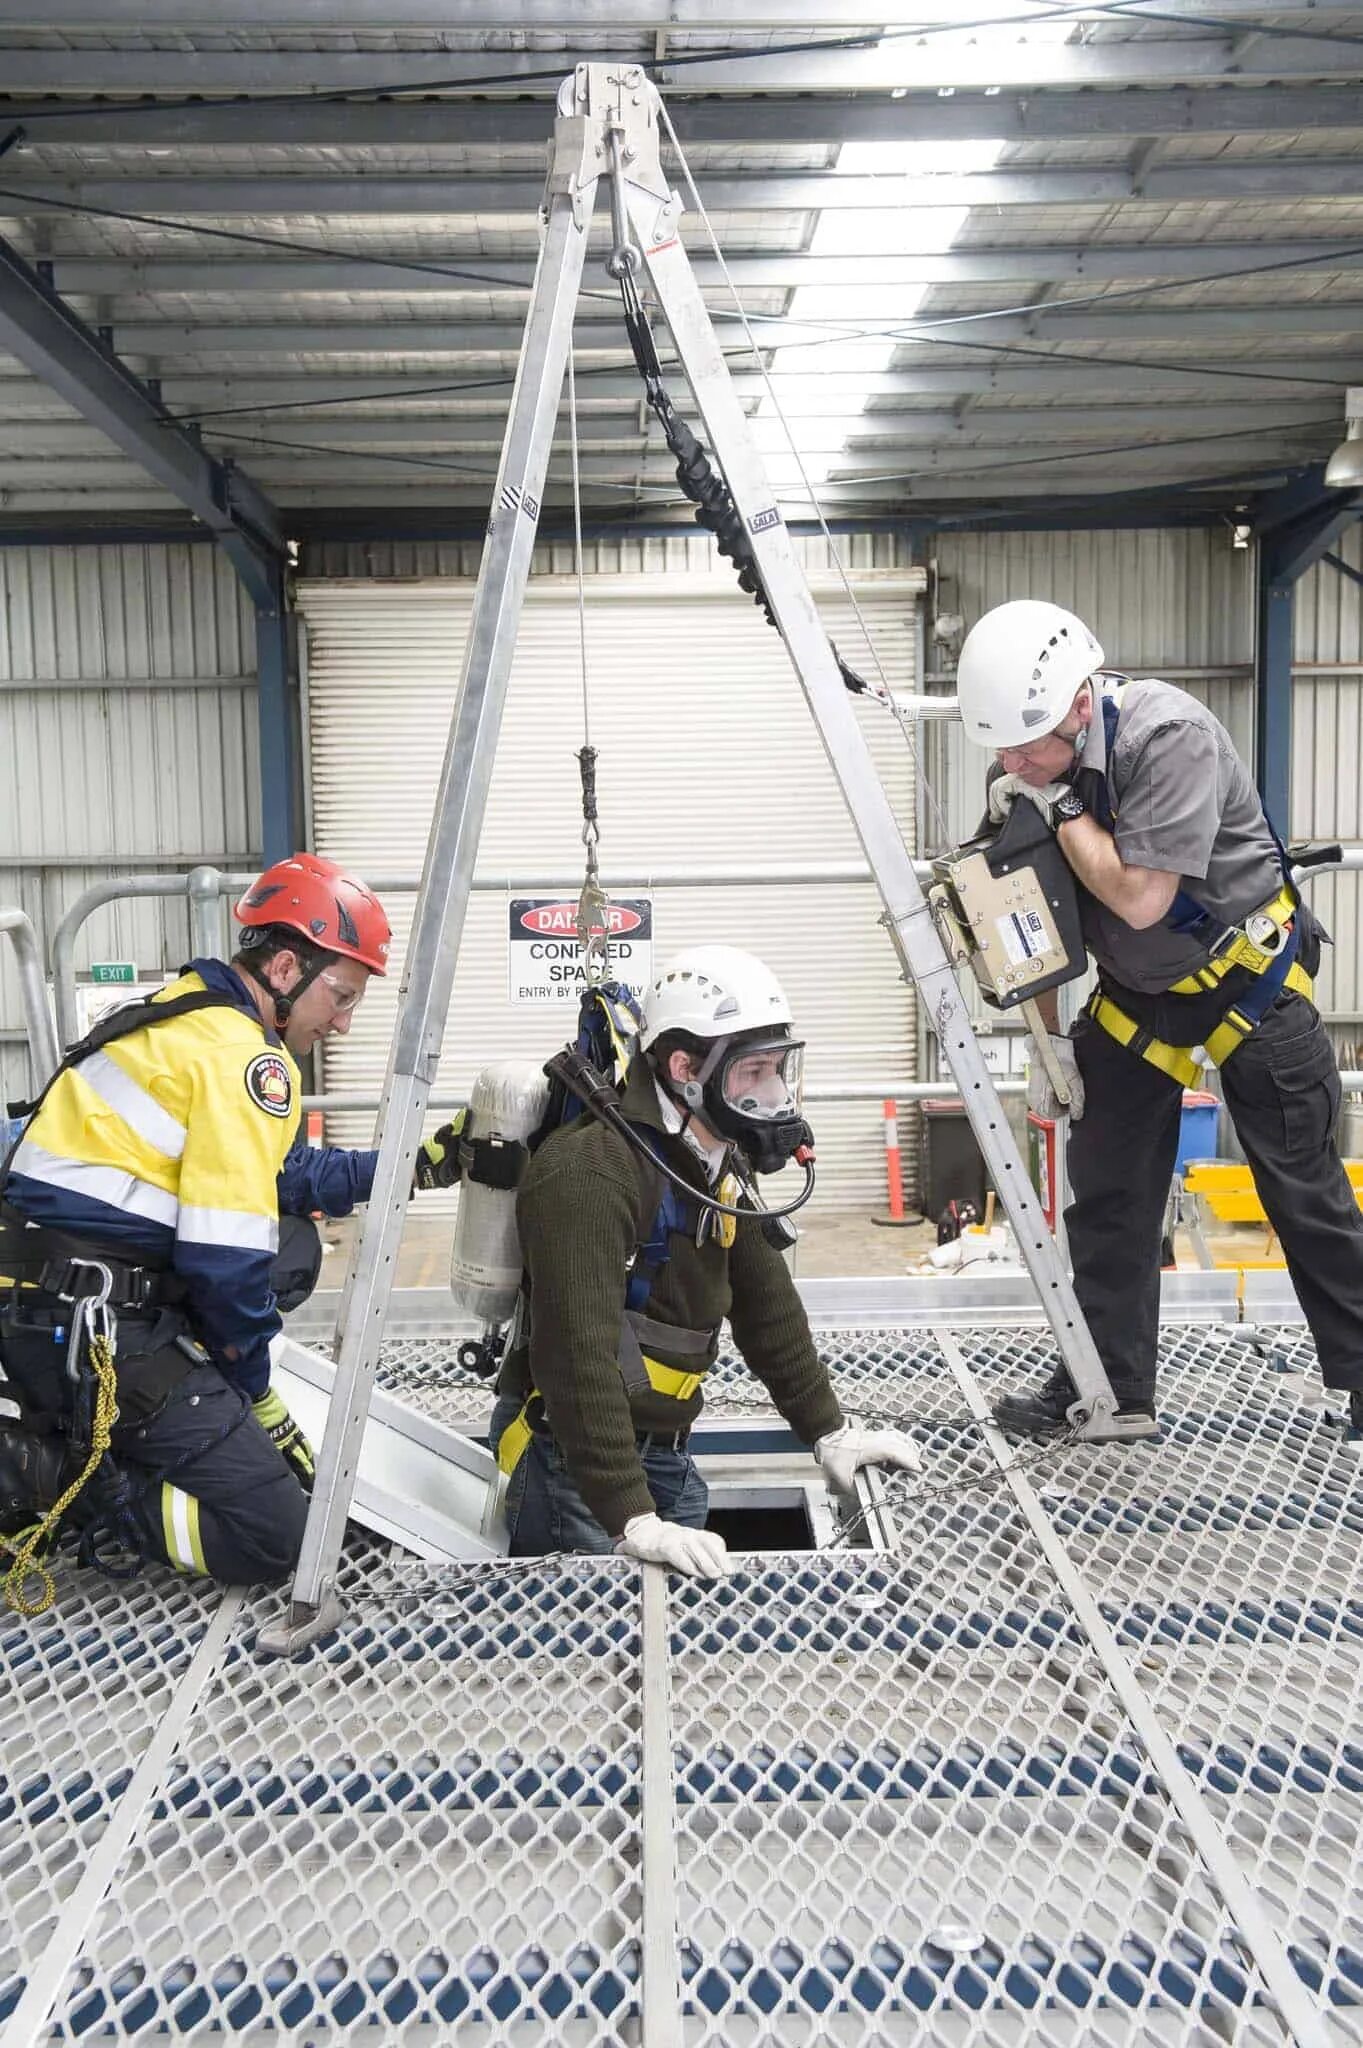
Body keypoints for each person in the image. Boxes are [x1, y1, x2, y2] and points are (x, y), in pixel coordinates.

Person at [954, 598, 1363, 1439]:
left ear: (1078, 704)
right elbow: (1023, 918)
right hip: (1133, 1004)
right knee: (1107, 1201)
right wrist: (1045, 1039)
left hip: (1246, 982)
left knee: (1303, 1195)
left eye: (1027, 744)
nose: (1011, 761)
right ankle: (1109, 1393)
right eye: (998, 746)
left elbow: (1140, 901)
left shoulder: (1167, 736)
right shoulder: (1027, 766)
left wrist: (1062, 805)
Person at [0, 852, 462, 1588]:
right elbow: (224, 1257)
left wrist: (427, 1161)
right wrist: (256, 1394)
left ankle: (133, 1428)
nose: (342, 1022)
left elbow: (284, 1178)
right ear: (285, 969)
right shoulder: (243, 1057)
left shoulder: (194, 1014)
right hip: (92, 1324)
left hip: (55, 1297)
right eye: (339, 996)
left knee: (295, 1247)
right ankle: (46, 1480)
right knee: (276, 1536)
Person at [489, 943, 921, 1577]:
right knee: (591, 1653)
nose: (772, 1093)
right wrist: (631, 1517)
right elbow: (573, 1358)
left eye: (777, 1069)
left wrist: (828, 1430)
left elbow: (764, 1303)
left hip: (660, 1456)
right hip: (576, 1470)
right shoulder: (588, 1171)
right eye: (752, 1072)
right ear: (685, 1066)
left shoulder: (710, 1155)